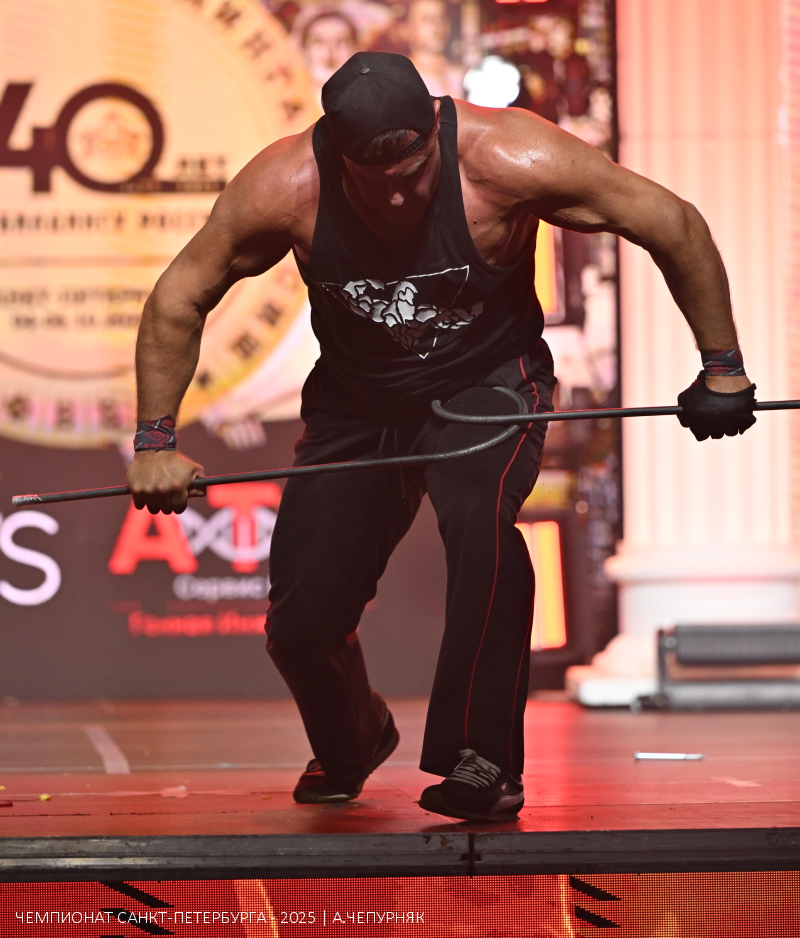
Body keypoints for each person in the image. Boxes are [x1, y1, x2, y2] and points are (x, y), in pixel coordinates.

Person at [128, 52, 756, 822]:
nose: (397, 192)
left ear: (434, 124)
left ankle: (481, 757)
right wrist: (155, 442)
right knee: (302, 621)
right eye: (375, 176)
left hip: (487, 382)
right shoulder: (285, 186)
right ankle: (353, 739)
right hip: (359, 404)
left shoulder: (509, 155)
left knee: (480, 521)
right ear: (338, 154)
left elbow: (671, 222)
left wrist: (723, 368)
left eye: (413, 167)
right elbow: (179, 297)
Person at [405, 0, 465, 98]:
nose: (437, 25)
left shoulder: (461, 74)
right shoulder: (404, 80)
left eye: (442, 18)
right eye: (427, 19)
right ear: (409, 28)